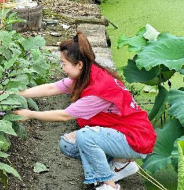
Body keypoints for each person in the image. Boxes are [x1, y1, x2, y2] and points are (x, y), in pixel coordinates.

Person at [10, 31, 156, 190]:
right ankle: (120, 164)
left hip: (136, 138)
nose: (62, 67)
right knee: (67, 144)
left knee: (85, 137)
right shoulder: (87, 74)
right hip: (119, 132)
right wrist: (16, 94)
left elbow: (64, 115)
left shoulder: (99, 88)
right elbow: (52, 88)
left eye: (64, 63)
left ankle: (107, 184)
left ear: (79, 64)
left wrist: (30, 114)